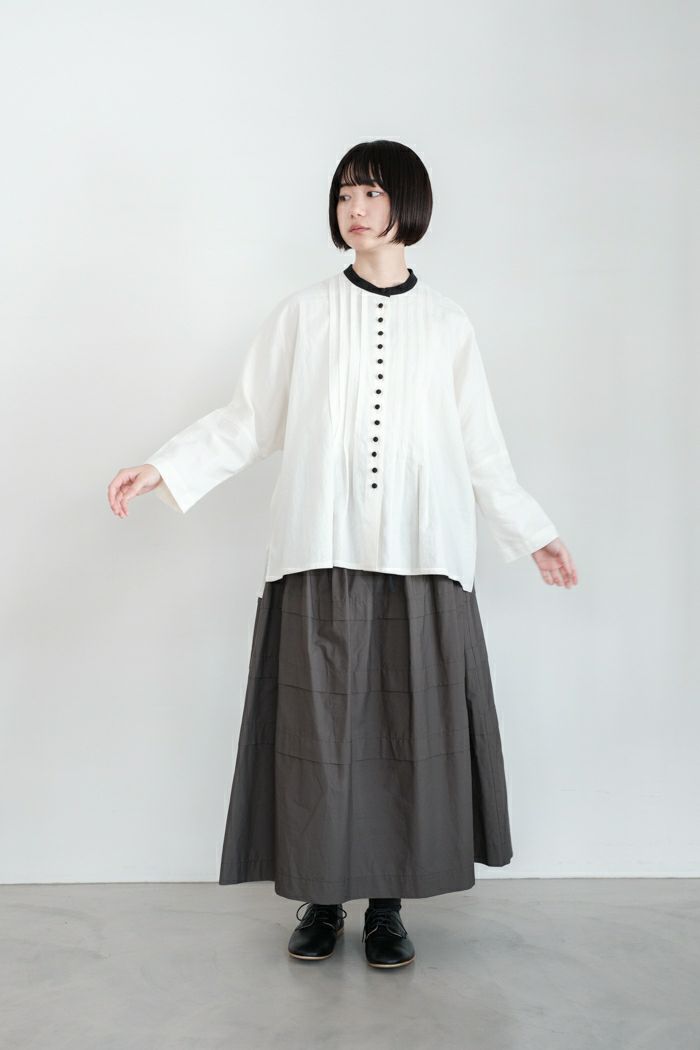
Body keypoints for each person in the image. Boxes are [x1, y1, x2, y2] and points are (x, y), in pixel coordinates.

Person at [107, 139, 578, 970]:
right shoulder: (304, 314)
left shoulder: (448, 324)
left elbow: (481, 448)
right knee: (319, 736)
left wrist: (532, 530)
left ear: (407, 205)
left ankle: (387, 908)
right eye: (344, 195)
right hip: (320, 551)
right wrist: (166, 466)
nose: (354, 210)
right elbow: (249, 418)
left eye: (371, 194)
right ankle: (322, 901)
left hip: (422, 554)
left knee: (405, 737)